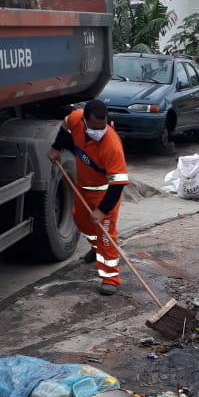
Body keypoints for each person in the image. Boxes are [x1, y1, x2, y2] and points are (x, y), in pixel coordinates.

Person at [47, 100, 129, 296]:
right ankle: (95, 248)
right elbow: (65, 127)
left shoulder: (111, 145)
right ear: (84, 121)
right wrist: (57, 147)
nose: (98, 131)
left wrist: (102, 210)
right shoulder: (75, 119)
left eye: (103, 127)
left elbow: (118, 184)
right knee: (81, 221)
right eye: (94, 127)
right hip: (83, 187)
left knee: (106, 235)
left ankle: (111, 279)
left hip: (105, 192)